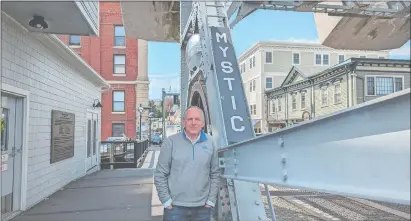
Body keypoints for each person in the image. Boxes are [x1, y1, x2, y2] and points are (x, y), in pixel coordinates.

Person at [154, 106, 220, 221]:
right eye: (189, 119)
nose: (193, 123)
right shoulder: (170, 142)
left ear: (203, 123)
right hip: (175, 208)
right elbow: (160, 174)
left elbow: (215, 173)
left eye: (197, 119)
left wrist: (211, 200)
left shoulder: (211, 143)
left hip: (203, 208)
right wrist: (166, 201)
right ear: (184, 122)